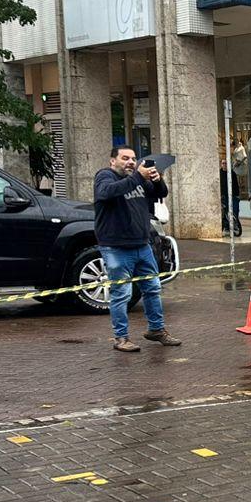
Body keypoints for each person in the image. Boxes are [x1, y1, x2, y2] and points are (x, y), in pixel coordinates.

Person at [95, 147, 180, 352]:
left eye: (133, 159)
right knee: (121, 293)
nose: (131, 162)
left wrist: (157, 179)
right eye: (125, 158)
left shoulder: (138, 179)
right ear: (112, 161)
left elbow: (160, 193)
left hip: (142, 245)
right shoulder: (105, 177)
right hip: (116, 247)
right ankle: (121, 338)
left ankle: (156, 330)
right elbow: (106, 193)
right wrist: (138, 178)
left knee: (152, 289)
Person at [218, 154, 241, 236]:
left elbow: (236, 185)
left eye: (226, 163)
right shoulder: (219, 174)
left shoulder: (232, 173)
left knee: (235, 211)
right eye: (223, 163)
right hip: (223, 196)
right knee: (225, 212)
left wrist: (237, 195)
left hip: (233, 195)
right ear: (221, 164)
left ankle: (235, 226)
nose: (224, 165)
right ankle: (227, 227)